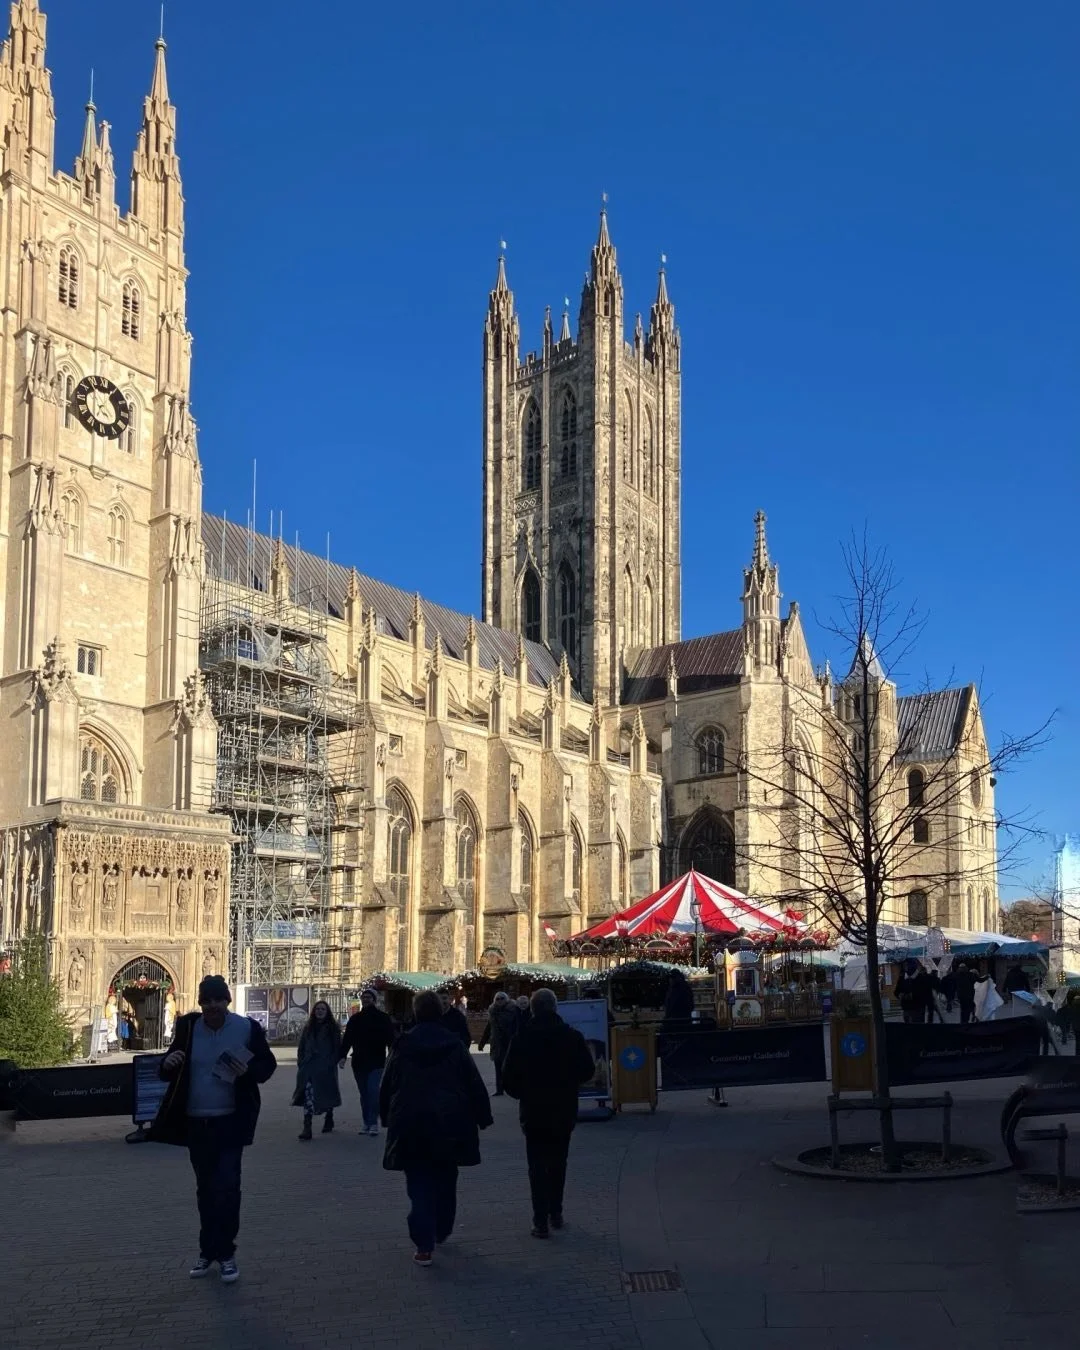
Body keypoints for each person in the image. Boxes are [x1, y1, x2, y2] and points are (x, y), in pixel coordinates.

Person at [150, 974, 277, 1283]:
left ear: (227, 1001)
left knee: (228, 1188)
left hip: (231, 1120)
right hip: (197, 1121)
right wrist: (167, 1063)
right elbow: (170, 1063)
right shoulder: (189, 1028)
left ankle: (226, 1253)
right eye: (206, 1000)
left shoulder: (247, 1028)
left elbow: (267, 1066)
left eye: (217, 999)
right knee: (206, 1190)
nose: (211, 1006)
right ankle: (208, 1251)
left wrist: (247, 1072)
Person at [380, 989, 493, 1267]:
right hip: (449, 1122)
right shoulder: (454, 1045)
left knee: (418, 1182)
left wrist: (385, 1116)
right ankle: (441, 1228)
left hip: (411, 1122)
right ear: (440, 1012)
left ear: (415, 1013)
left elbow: (387, 1084)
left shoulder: (403, 1045)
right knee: (445, 1178)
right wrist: (483, 1116)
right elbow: (473, 1083)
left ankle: (423, 1244)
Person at [502, 987, 597, 1239]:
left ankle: (539, 1219)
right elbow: (588, 1070)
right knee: (558, 1162)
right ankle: (556, 1212)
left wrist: (523, 1093)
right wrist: (569, 1084)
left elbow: (508, 1077)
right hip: (563, 1108)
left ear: (532, 1009)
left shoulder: (522, 1037)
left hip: (533, 1109)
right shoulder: (571, 1036)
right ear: (555, 1008)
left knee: (536, 1165)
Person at [339, 988, 396, 1136]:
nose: (366, 999)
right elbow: (347, 1039)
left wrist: (392, 1055)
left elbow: (391, 1038)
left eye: (369, 997)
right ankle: (367, 1123)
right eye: (364, 997)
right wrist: (343, 1056)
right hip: (359, 1061)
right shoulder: (355, 1019)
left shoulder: (383, 1018)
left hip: (377, 1061)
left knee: (373, 1092)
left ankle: (373, 1122)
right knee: (364, 1094)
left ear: (374, 1000)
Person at [292, 1000, 342, 1141]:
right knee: (308, 1094)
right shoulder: (308, 1028)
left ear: (327, 1012)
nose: (320, 1011)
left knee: (326, 1094)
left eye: (323, 1009)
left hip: (325, 1068)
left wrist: (331, 1063)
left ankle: (329, 1117)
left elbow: (337, 1048)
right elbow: (301, 1047)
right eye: (318, 1009)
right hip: (308, 1068)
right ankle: (307, 1127)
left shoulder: (333, 1028)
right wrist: (301, 1062)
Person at [477, 991, 520, 1096]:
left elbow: (518, 1026)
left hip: (509, 1042)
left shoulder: (513, 1010)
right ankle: (499, 1089)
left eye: (502, 998)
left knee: (510, 1067)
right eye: (498, 999)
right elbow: (488, 1028)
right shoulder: (493, 1012)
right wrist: (482, 1043)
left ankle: (512, 1088)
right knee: (498, 1067)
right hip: (497, 1043)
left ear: (507, 999)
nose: (500, 1001)